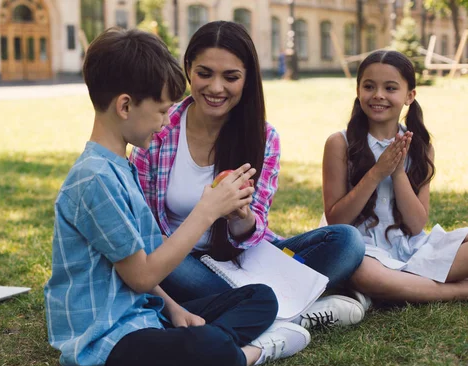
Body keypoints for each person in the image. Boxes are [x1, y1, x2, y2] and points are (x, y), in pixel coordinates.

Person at [44, 27, 310, 366]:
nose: (166, 120)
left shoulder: (119, 167)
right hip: (103, 342)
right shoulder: (94, 179)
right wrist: (207, 210)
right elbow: (141, 276)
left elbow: (140, 268)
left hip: (143, 315)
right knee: (214, 351)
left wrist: (173, 308)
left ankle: (178, 358)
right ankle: (254, 351)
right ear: (124, 106)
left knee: (261, 298)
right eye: (161, 110)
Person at [129, 20, 366, 329]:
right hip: (180, 263)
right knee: (156, 251)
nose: (216, 88)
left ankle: (255, 307)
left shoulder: (263, 137)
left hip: (247, 260)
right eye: (205, 73)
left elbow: (253, 234)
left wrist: (241, 218)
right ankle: (288, 310)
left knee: (347, 241)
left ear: (247, 78)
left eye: (231, 77)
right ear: (188, 69)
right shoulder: (160, 128)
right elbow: (142, 230)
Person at [322, 50, 468, 303]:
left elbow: (415, 225)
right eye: (369, 86)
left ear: (409, 95)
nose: (378, 95)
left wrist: (398, 171)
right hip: (364, 251)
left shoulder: (421, 146)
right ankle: (456, 290)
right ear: (358, 90)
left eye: (390, 88)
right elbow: (337, 220)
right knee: (365, 274)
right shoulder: (339, 143)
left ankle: (405, 284)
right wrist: (378, 173)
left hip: (412, 247)